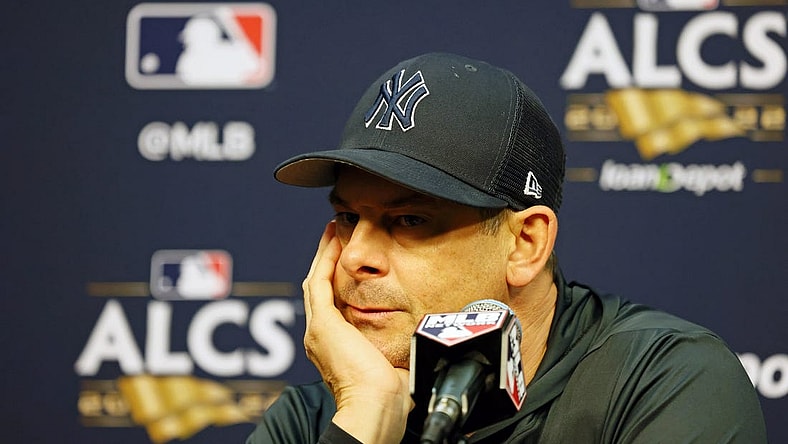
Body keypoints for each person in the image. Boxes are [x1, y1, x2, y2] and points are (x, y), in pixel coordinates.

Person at [246, 52, 767, 443]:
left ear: (525, 244)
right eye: (348, 217)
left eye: (410, 220)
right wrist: (365, 415)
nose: (356, 256)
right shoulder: (315, 419)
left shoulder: (660, 381)